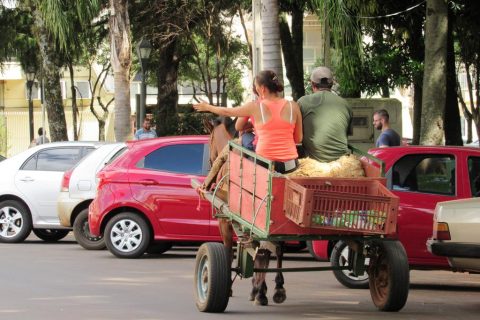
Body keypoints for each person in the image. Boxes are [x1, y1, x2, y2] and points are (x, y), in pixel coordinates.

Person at [193, 70, 303, 174]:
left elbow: (227, 112)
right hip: (291, 165)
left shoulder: (255, 106)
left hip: (265, 165)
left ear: (262, 88)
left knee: (245, 138)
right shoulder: (293, 106)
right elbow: (298, 139)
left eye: (256, 86)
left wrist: (207, 107)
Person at [298, 66, 352, 162]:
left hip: (312, 162)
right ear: (331, 84)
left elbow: (297, 136)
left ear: (312, 84)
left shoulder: (302, 102)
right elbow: (346, 133)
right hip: (341, 161)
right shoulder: (345, 104)